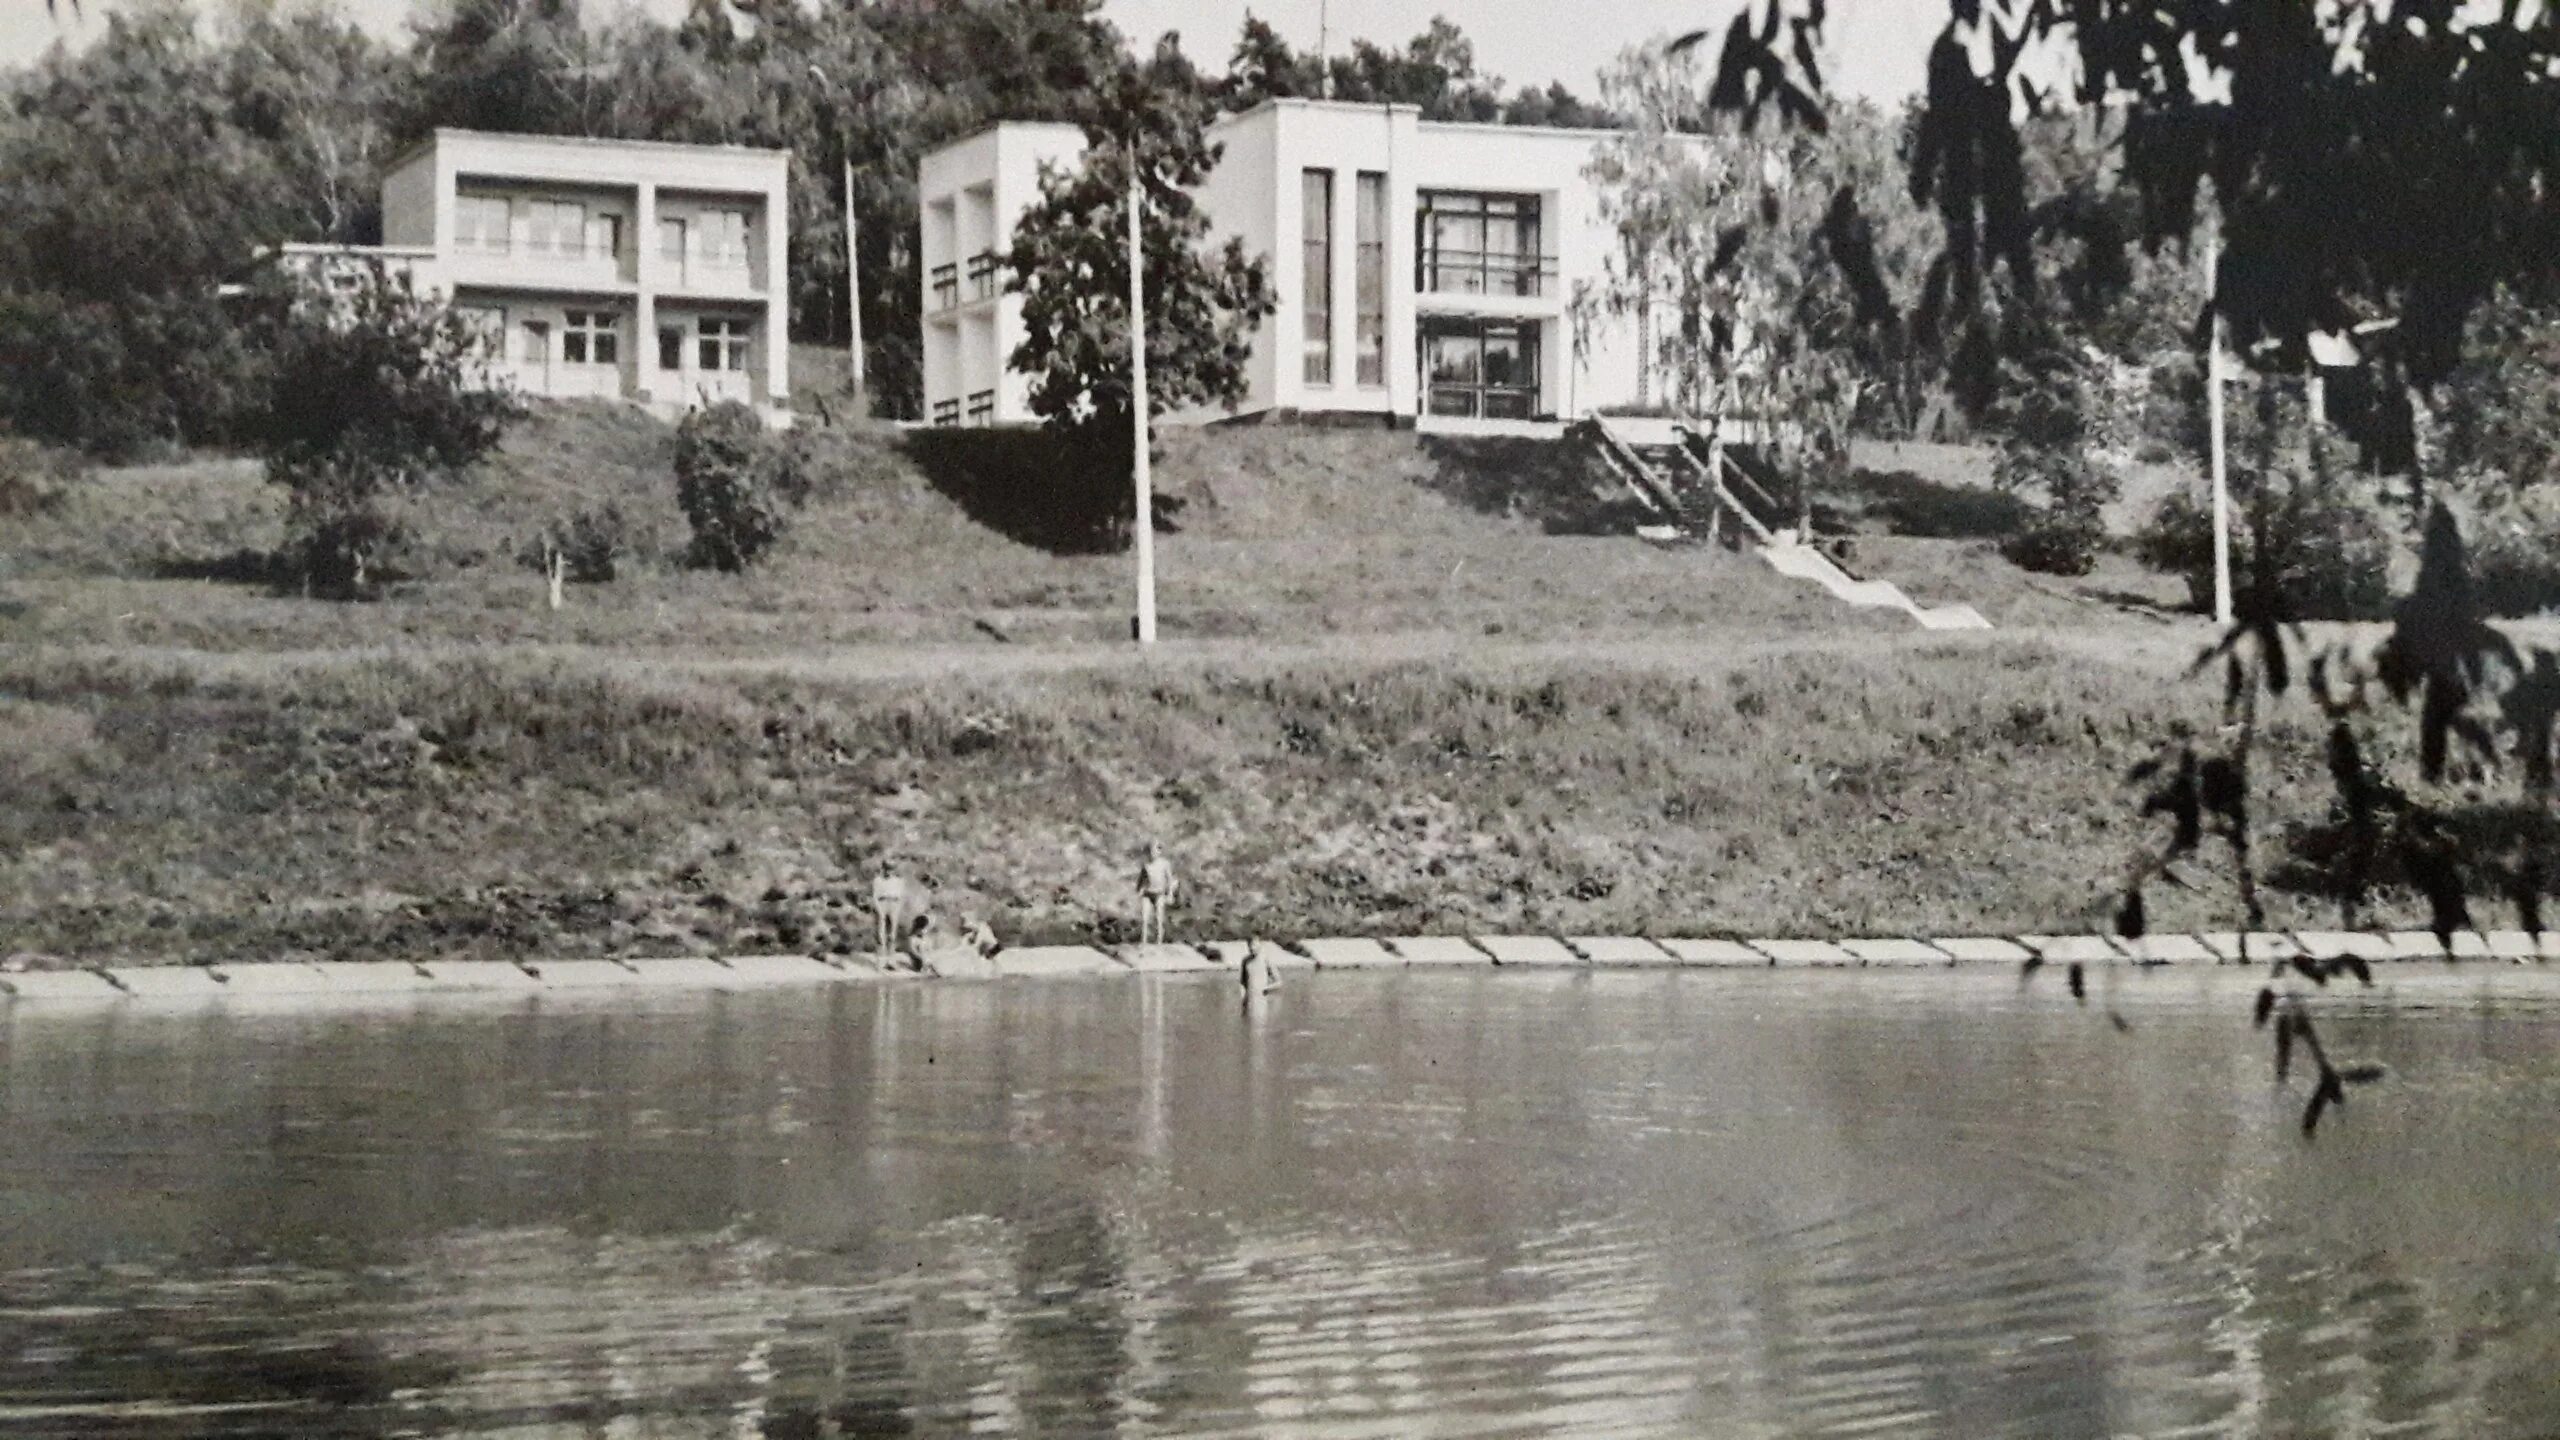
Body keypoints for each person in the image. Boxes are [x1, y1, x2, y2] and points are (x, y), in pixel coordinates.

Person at [1136, 840, 1176, 945]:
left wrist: (1170, 894)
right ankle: (1143, 941)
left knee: (1159, 918)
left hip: (1159, 894)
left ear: (1159, 852)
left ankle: (1159, 942)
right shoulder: (1146, 865)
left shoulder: (1165, 864)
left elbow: (1170, 879)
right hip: (1148, 893)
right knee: (1145, 918)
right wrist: (1139, 890)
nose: (1152, 854)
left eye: (1154, 851)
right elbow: (1141, 879)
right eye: (1150, 851)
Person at [869, 857, 907, 957]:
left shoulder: (899, 881)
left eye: (891, 869)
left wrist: (898, 907)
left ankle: (891, 959)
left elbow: (902, 896)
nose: (889, 871)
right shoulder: (877, 880)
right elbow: (874, 896)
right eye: (887, 868)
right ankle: (881, 958)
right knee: (881, 932)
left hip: (894, 904)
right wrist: (879, 910)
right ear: (883, 869)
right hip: (882, 903)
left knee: (892, 933)